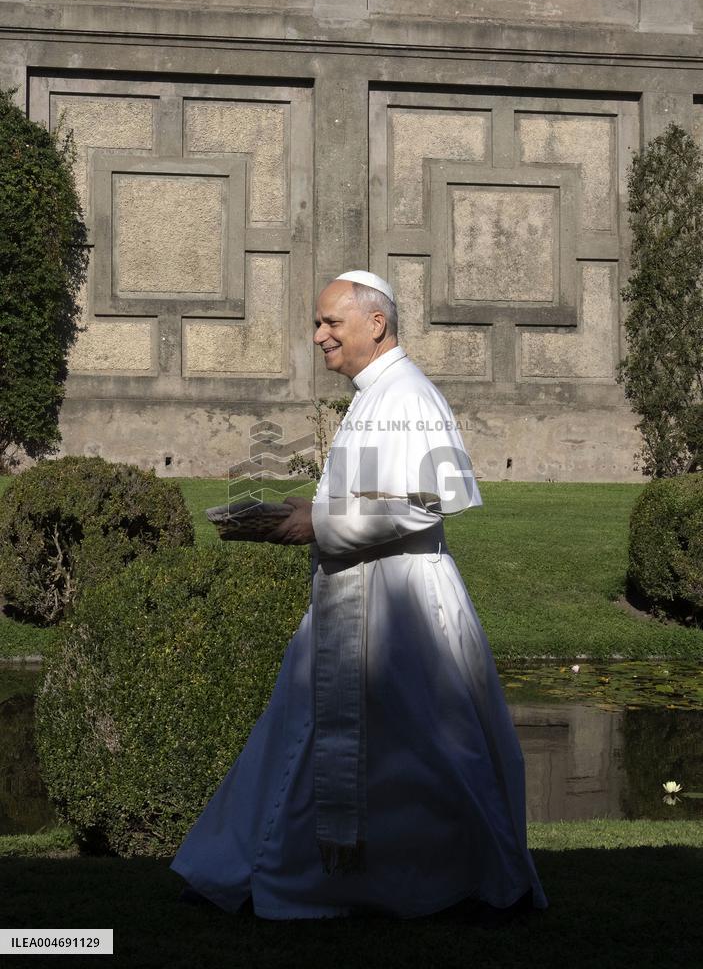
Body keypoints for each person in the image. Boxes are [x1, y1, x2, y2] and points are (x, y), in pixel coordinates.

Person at [170, 270, 548, 921]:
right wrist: (306, 510)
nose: (318, 337)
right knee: (320, 733)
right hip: (357, 595)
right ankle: (280, 872)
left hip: (397, 609)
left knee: (425, 750)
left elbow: (419, 507)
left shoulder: (405, 394)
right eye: (317, 324)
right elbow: (375, 498)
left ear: (375, 322)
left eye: (329, 323)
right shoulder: (378, 393)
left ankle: (431, 879)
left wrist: (315, 522)